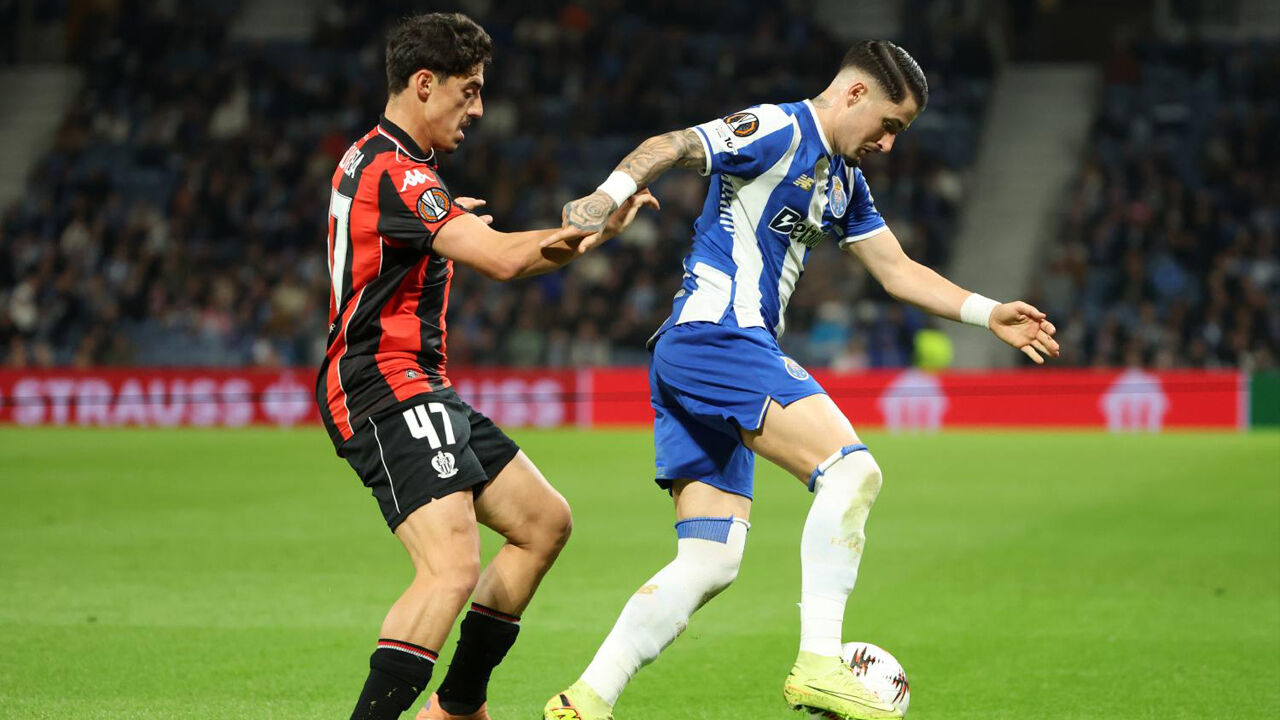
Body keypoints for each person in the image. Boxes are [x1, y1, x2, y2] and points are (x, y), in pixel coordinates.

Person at [543, 40, 1058, 720]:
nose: (888, 144)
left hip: (700, 354)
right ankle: (820, 662)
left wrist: (989, 314)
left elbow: (898, 271)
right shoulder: (779, 128)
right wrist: (602, 199)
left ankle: (584, 700)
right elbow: (670, 144)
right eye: (888, 126)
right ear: (852, 95)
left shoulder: (844, 182)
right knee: (853, 473)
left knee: (710, 562)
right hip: (716, 337)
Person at [316, 13, 656, 720]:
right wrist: (593, 222)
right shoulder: (401, 174)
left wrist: (563, 240)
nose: (478, 108)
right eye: (468, 92)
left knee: (543, 522)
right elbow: (502, 259)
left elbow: (434, 240)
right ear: (422, 84)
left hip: (419, 385)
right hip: (383, 383)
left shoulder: (377, 160)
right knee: (450, 571)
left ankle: (459, 706)